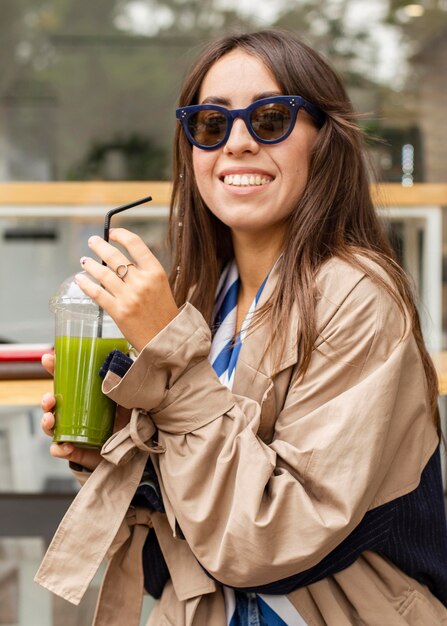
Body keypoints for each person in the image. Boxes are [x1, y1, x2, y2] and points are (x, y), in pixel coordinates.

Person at [39, 29, 447, 626]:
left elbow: (268, 537)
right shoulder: (202, 293)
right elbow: (183, 519)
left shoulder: (359, 297)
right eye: (210, 124)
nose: (236, 143)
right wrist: (118, 444)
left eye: (271, 118)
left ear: (322, 142)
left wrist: (170, 362)